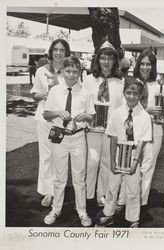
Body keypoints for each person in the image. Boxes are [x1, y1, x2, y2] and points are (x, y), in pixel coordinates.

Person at [42, 56, 95, 226]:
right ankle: (56, 210)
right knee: (60, 177)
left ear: (80, 72)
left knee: (79, 177)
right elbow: (46, 114)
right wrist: (58, 112)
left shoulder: (85, 93)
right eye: (68, 70)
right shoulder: (55, 91)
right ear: (62, 71)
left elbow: (91, 117)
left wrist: (85, 116)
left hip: (78, 137)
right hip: (60, 137)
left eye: (75, 71)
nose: (71, 74)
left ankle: (82, 211)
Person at [95, 76, 152, 227]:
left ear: (141, 96)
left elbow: (141, 142)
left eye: (135, 94)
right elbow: (113, 139)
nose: (131, 96)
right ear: (124, 93)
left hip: (133, 154)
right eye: (128, 93)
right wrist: (113, 160)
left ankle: (133, 218)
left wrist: (135, 162)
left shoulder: (145, 117)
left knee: (133, 189)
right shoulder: (116, 113)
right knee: (112, 186)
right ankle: (108, 214)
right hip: (119, 153)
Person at [30, 39, 70, 208]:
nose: (58, 53)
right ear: (51, 51)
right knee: (46, 156)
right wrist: (45, 94)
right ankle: (48, 192)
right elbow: (34, 94)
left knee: (59, 156)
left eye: (62, 50)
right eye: (55, 50)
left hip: (61, 119)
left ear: (66, 53)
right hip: (43, 117)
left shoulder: (69, 71)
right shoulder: (41, 71)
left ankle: (59, 189)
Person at [83, 41, 123, 207]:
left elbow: (122, 107)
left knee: (107, 162)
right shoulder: (88, 79)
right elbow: (83, 102)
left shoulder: (120, 82)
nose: (106, 62)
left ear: (114, 61)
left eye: (110, 59)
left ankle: (102, 194)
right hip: (92, 128)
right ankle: (87, 193)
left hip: (110, 130)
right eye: (103, 58)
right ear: (98, 60)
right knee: (92, 161)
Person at [133, 48, 164, 207]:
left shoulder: (159, 85)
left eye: (148, 64)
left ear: (153, 66)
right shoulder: (132, 82)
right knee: (132, 165)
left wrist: (163, 110)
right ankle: (130, 197)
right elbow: (124, 107)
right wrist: (145, 111)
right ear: (138, 65)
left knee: (147, 167)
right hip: (133, 130)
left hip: (155, 130)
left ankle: (141, 202)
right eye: (142, 64)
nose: (145, 67)